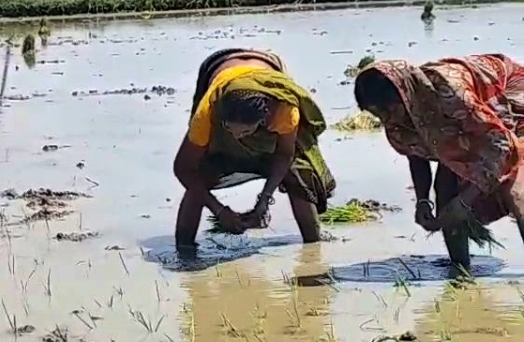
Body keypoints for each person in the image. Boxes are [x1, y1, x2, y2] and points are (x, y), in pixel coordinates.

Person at [354, 55, 524, 272]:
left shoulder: (450, 91)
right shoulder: (398, 119)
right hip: (462, 126)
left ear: (404, 95)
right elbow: (416, 155)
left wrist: (464, 201)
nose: (388, 120)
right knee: (445, 189)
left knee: (514, 190)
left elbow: (502, 148)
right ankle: (460, 270)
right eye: (378, 115)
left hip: (509, 103)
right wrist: (423, 201)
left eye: (389, 111)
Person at [173, 48, 335, 251]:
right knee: (201, 176)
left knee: (297, 173)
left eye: (246, 131)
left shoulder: (283, 109)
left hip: (269, 70)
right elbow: (183, 169)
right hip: (218, 67)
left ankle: (313, 246)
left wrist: (265, 199)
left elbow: (285, 155)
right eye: (229, 130)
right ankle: (184, 250)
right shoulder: (208, 112)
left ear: (263, 121)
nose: (236, 138)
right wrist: (219, 211)